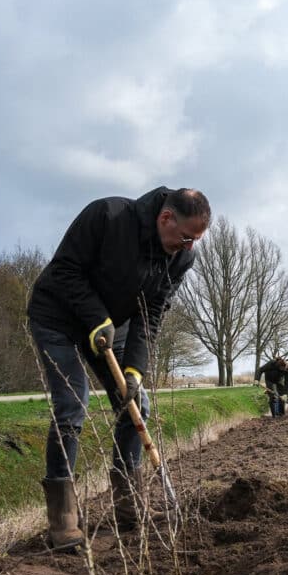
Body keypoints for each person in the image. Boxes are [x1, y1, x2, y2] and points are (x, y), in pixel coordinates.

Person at [27, 187, 211, 550]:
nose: (189, 247)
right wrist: (96, 319)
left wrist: (135, 371)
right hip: (58, 317)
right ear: (165, 218)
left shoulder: (180, 259)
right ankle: (63, 519)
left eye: (196, 241)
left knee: (134, 403)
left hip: (114, 326)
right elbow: (65, 270)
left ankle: (129, 505)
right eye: (186, 237)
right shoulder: (108, 217)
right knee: (72, 404)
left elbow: (152, 313)